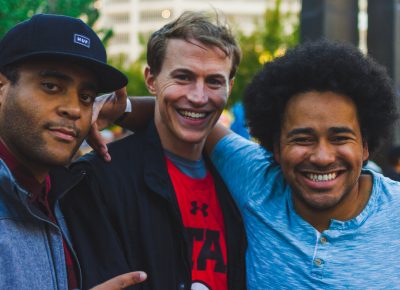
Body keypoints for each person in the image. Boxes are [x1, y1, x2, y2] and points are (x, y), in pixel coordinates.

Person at [61, 11, 247, 290]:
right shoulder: (98, 180)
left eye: (214, 82)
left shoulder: (238, 183)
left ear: (229, 87)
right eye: (183, 77)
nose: (198, 97)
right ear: (151, 80)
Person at [206, 41, 400, 288]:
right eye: (302, 139)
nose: (322, 157)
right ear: (275, 147)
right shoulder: (257, 181)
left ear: (365, 146)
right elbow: (186, 115)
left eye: (339, 138)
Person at [0, 14, 146, 289]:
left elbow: (194, 118)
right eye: (51, 87)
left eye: (86, 97)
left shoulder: (64, 192)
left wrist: (119, 111)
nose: (74, 109)